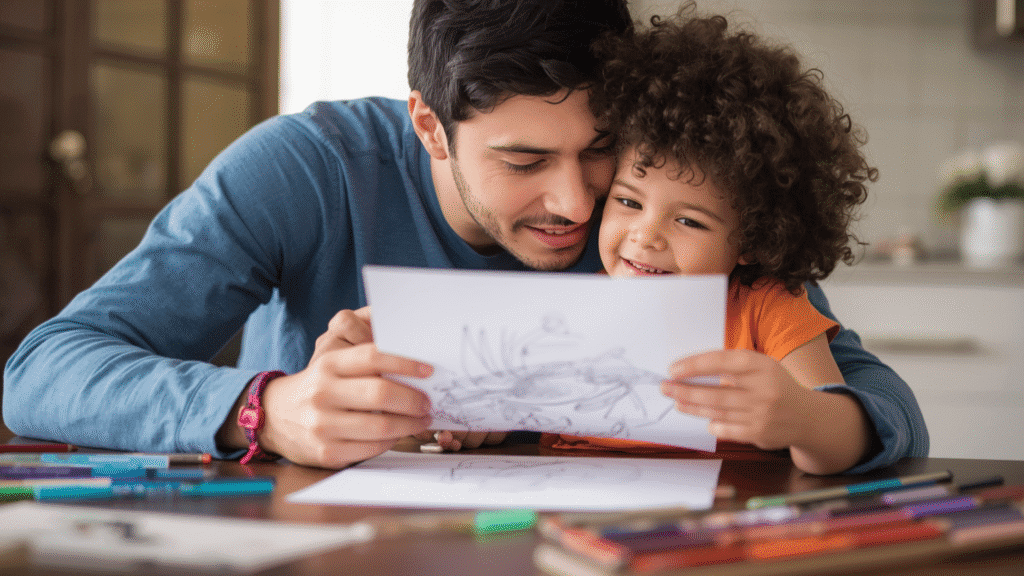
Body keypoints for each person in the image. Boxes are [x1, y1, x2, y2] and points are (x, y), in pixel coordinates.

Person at [3, 0, 927, 472]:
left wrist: (817, 417)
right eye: (524, 159)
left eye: (599, 150)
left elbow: (878, 401)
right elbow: (43, 370)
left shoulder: (656, 201)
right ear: (430, 126)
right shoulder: (308, 169)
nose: (578, 203)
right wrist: (268, 410)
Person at [541, 7, 902, 475]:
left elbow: (840, 439)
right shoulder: (569, 309)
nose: (645, 235)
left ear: (752, 239)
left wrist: (803, 419)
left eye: (689, 222)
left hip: (733, 505)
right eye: (628, 202)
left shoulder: (768, 307)